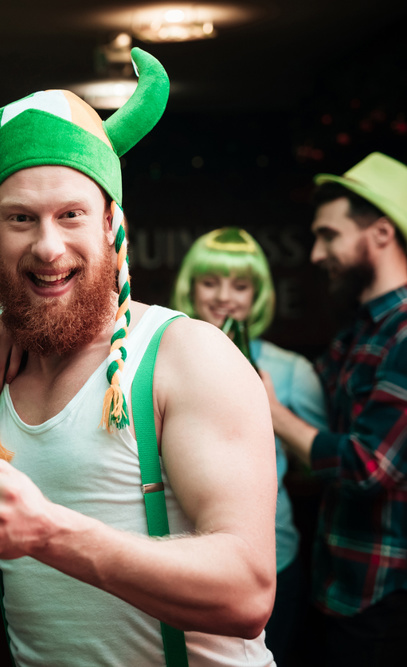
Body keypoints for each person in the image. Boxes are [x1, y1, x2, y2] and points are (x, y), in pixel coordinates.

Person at [0, 47, 278, 666]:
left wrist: (48, 533)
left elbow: (246, 592)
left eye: (71, 214)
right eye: (21, 218)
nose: (48, 247)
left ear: (112, 222)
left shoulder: (185, 357)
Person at [260, 152, 407, 666]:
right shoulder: (359, 333)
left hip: (384, 595)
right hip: (336, 581)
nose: (318, 254)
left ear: (381, 234)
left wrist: (273, 412)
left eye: (330, 235)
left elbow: (369, 467)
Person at [171, 226, 328, 662]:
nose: (224, 296)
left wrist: (272, 410)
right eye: (210, 282)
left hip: (275, 561)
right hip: (186, 558)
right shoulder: (161, 355)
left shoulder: (291, 369)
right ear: (190, 287)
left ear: (257, 295)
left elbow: (320, 469)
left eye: (240, 285)